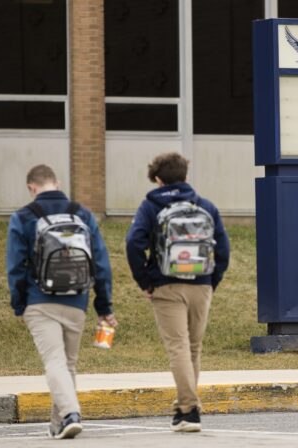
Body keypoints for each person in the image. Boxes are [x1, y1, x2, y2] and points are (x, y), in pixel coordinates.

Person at [6, 164, 117, 439]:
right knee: (67, 364)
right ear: (56, 183)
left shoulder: (23, 217)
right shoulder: (83, 214)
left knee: (55, 362)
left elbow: (16, 267)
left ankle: (70, 413)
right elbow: (101, 265)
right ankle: (60, 424)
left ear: (32, 187)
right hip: (76, 300)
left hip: (39, 300)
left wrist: (20, 305)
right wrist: (104, 307)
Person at [125, 152, 230, 432]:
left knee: (178, 348)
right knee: (193, 348)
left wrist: (146, 281)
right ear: (185, 176)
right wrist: (210, 281)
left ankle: (188, 410)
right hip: (202, 284)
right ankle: (186, 407)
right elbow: (223, 250)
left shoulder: (150, 206)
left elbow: (133, 244)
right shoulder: (205, 205)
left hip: (166, 285)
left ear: (158, 179)